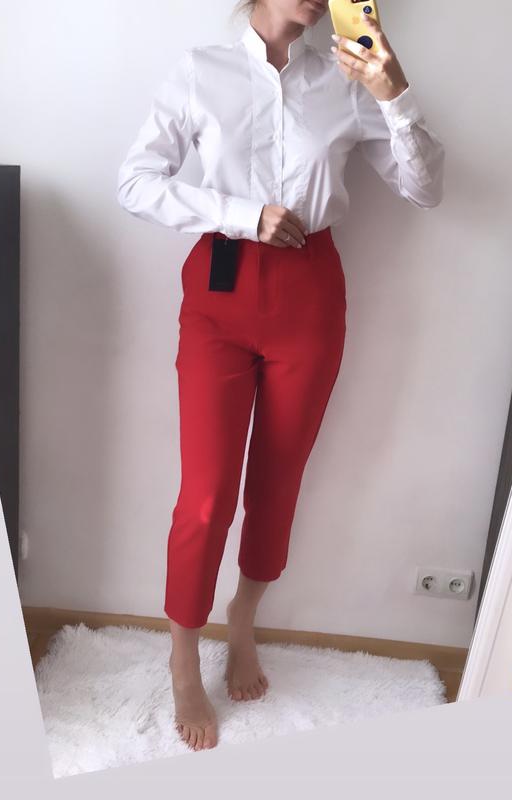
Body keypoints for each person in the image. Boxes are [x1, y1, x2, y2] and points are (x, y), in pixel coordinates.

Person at [116, 0, 445, 752]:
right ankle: (181, 657)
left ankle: (243, 618)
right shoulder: (201, 71)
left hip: (310, 289)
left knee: (277, 481)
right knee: (205, 496)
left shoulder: (347, 80)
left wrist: (394, 93)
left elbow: (426, 190)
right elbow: (135, 182)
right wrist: (242, 213)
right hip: (221, 286)